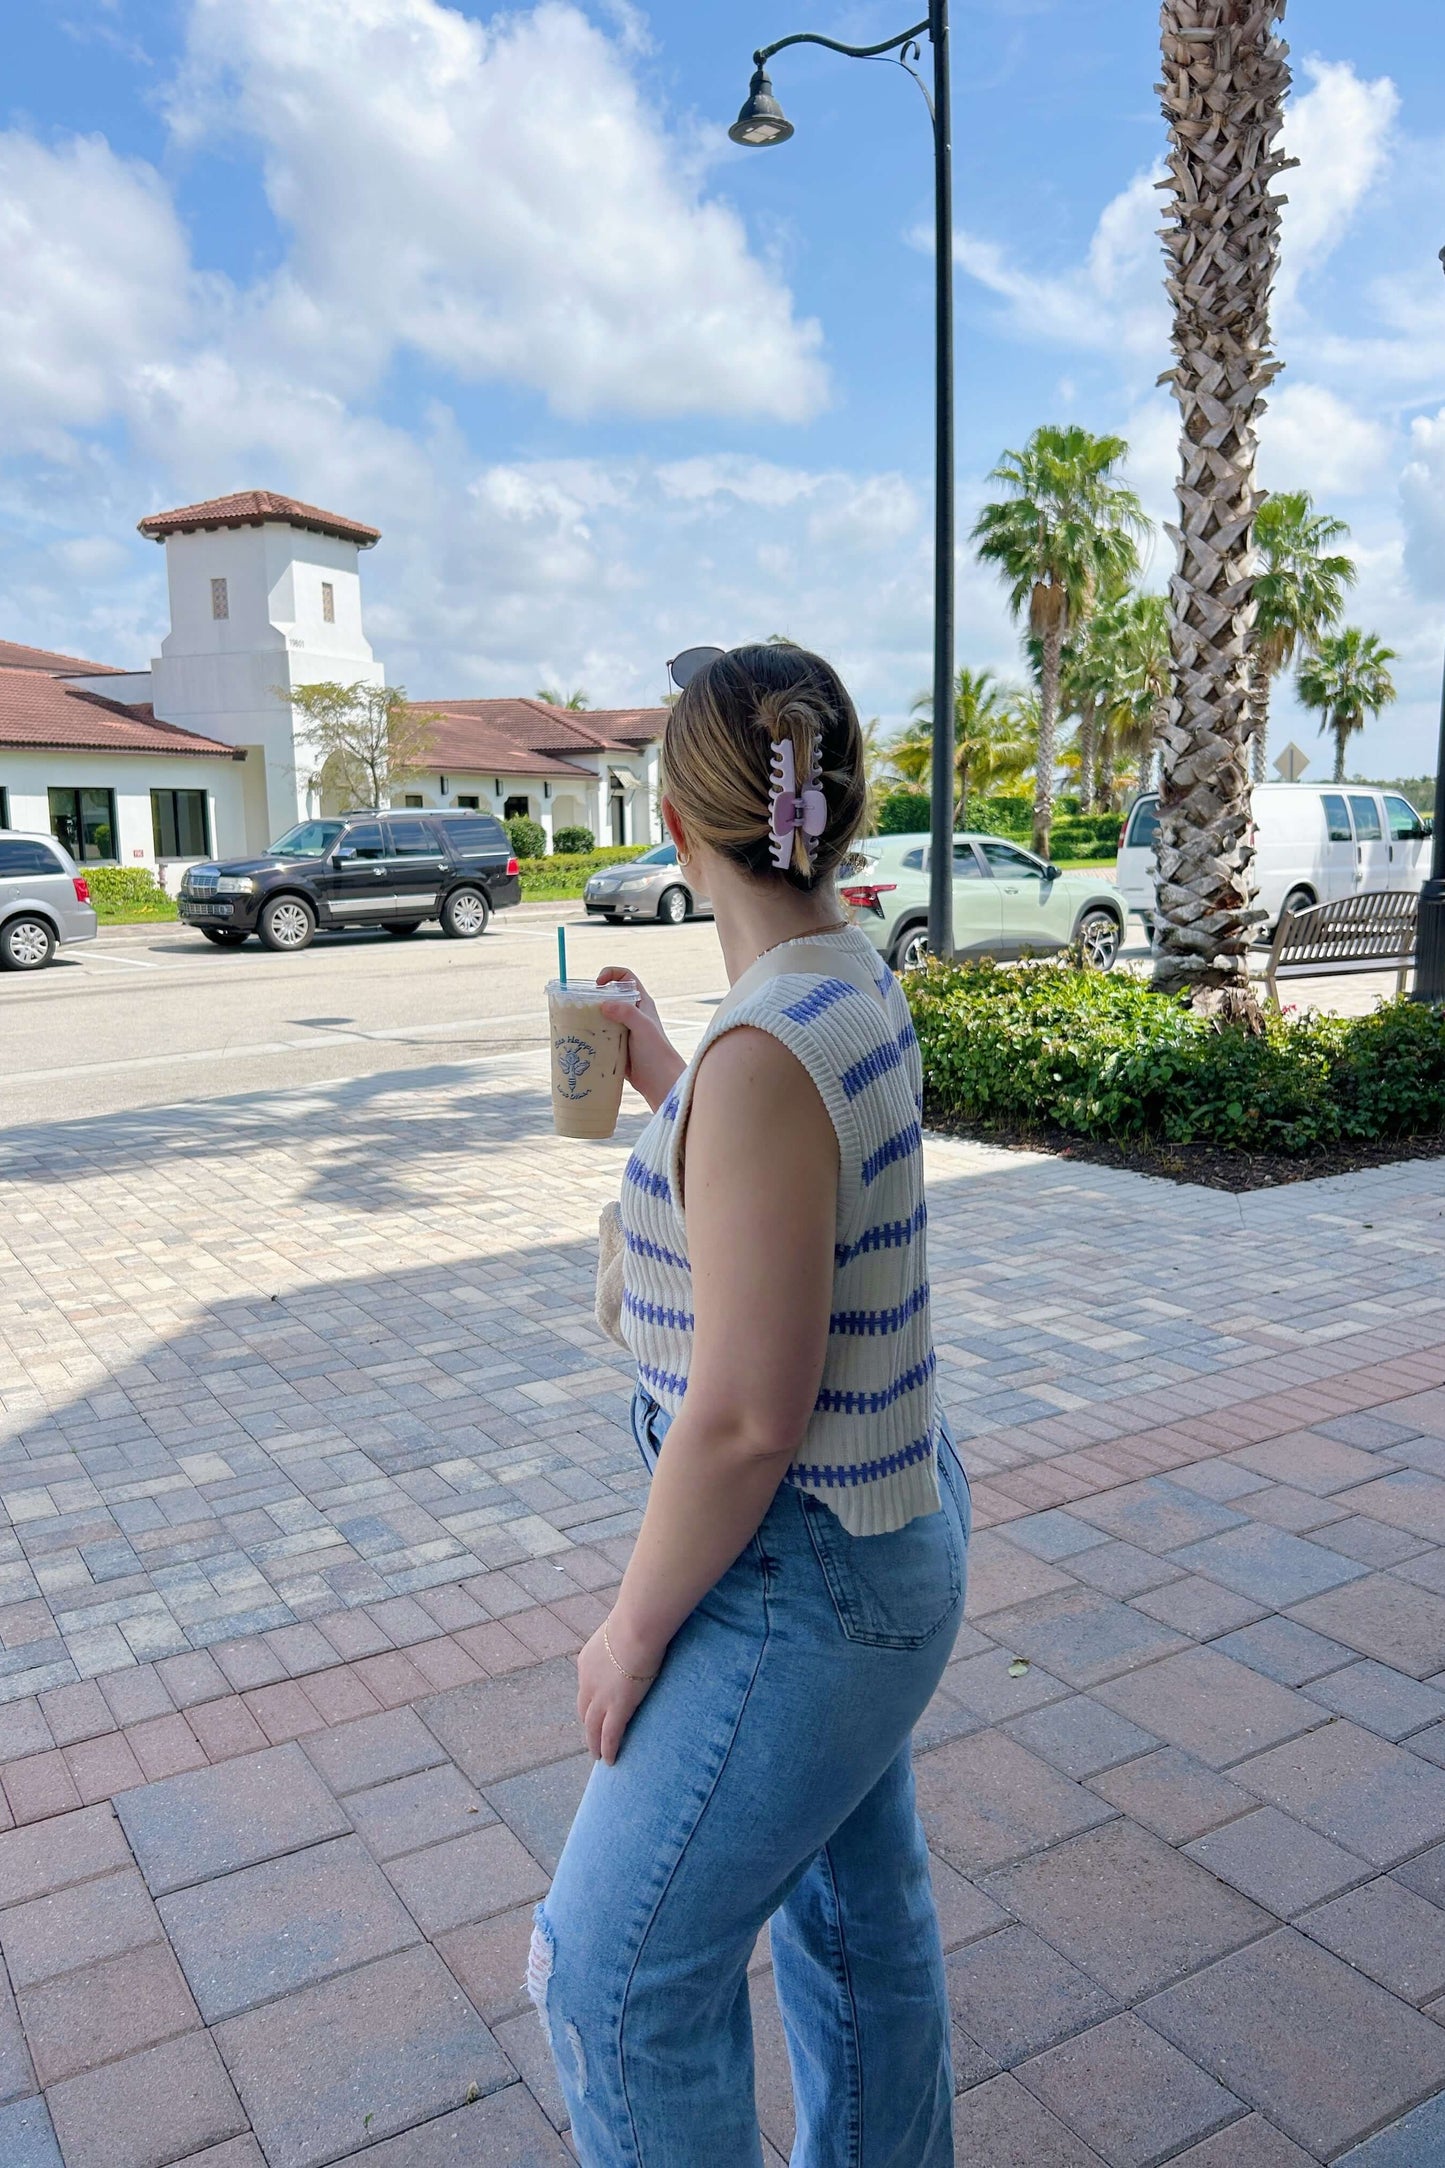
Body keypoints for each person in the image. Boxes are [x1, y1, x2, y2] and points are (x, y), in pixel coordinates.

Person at [528, 643, 970, 2166]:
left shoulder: (768, 1049)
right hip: (881, 1517)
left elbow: (740, 1418)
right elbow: (785, 1199)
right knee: (858, 1931)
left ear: (671, 818)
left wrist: (628, 1629)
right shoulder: (837, 981)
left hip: (799, 1570)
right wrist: (674, 1074)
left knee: (609, 1973)